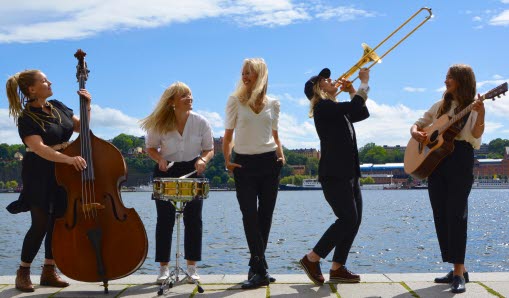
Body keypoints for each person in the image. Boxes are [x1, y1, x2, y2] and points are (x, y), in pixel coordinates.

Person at [5, 70, 91, 292]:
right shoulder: (25, 118)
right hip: (39, 172)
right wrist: (68, 159)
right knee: (41, 223)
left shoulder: (58, 106)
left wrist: (87, 105)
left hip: (65, 171)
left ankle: (49, 271)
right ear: (32, 89)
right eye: (44, 80)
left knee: (59, 222)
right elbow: (39, 148)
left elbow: (81, 127)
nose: (50, 81)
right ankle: (23, 272)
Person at [410, 64, 485, 294]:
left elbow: (476, 135)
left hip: (460, 159)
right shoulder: (439, 106)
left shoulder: (472, 107)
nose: (445, 81)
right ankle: (455, 269)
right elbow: (419, 123)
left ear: (462, 80)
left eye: (450, 77)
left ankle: (459, 272)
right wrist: (415, 132)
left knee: (457, 214)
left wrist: (480, 113)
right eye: (446, 77)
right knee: (441, 214)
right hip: (437, 163)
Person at [299, 67, 371, 285]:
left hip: (349, 173)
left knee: (354, 220)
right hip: (335, 175)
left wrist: (352, 91)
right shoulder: (323, 107)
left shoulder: (335, 108)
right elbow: (356, 105)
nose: (331, 80)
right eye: (325, 79)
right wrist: (364, 83)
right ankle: (312, 258)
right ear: (318, 89)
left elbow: (360, 112)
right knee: (347, 218)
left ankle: (338, 267)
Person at [140, 81, 214, 284]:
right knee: (164, 220)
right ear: (172, 101)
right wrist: (159, 159)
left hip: (192, 169)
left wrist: (203, 160)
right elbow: (151, 147)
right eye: (184, 96)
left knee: (194, 219)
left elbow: (209, 149)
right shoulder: (160, 122)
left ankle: (192, 267)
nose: (189, 98)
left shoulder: (201, 122)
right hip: (166, 170)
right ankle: (163, 269)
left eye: (190, 94)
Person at [223, 58, 285, 289]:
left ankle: (257, 268)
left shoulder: (274, 103)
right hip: (244, 165)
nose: (245, 76)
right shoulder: (234, 101)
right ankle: (260, 267)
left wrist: (281, 155)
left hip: (270, 163)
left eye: (250, 72)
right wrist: (228, 161)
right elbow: (228, 136)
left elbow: (275, 134)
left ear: (261, 75)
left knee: (265, 216)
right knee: (249, 215)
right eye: (243, 73)